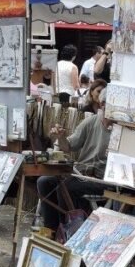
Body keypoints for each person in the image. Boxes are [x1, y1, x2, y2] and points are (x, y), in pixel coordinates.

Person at [37, 95, 113, 234]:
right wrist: (61, 137)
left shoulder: (122, 129)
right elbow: (69, 146)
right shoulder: (91, 122)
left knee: (67, 186)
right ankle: (51, 229)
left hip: (104, 179)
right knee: (45, 181)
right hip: (82, 174)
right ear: (102, 105)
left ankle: (68, 230)